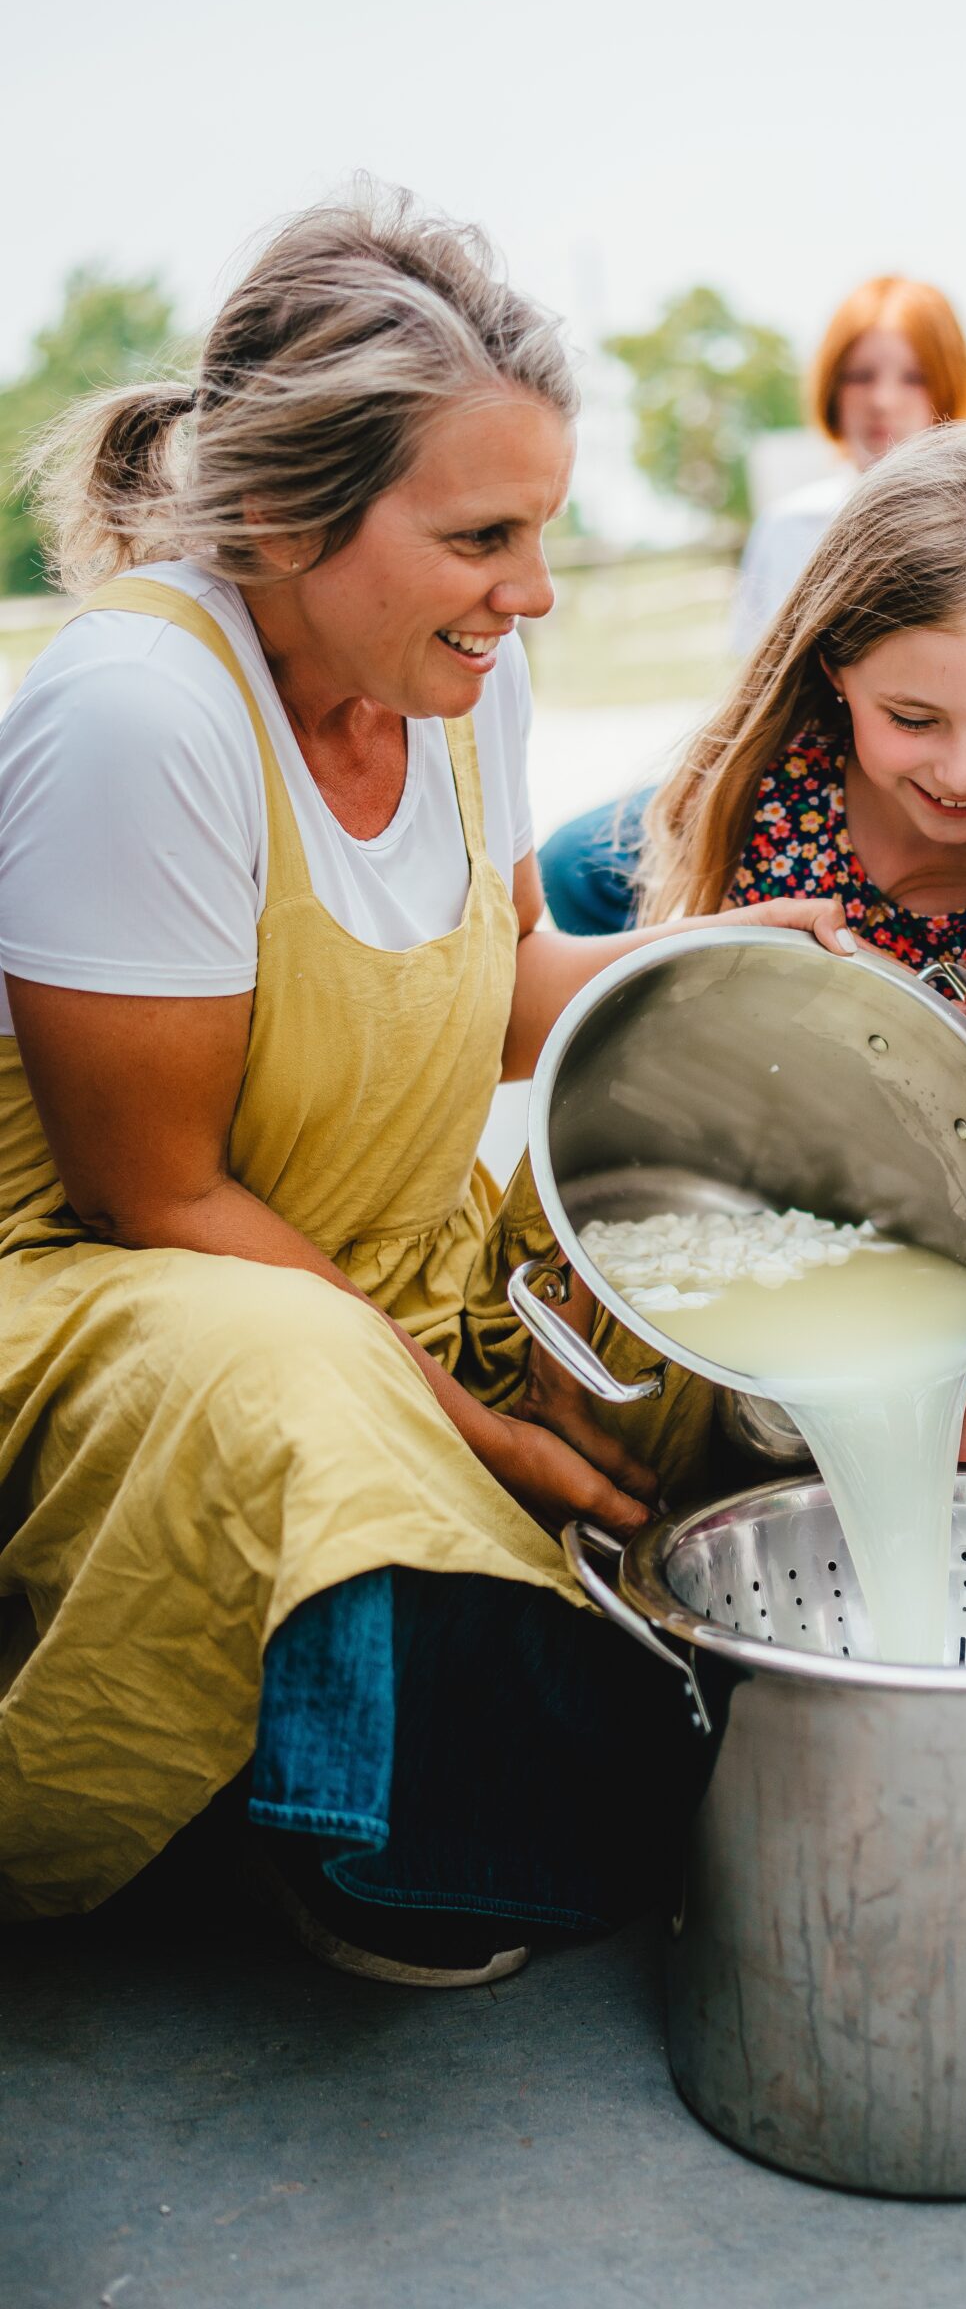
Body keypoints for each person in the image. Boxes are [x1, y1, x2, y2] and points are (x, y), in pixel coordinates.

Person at [0, 188, 842, 1979]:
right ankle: (352, 1835)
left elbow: (502, 999)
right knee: (303, 1376)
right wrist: (490, 1438)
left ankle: (626, 1666)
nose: (530, 592)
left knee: (710, 1204)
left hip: (379, 1252)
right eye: (481, 536)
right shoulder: (144, 715)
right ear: (289, 517)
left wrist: (722, 968)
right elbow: (155, 1200)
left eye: (539, 532)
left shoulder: (467, 678)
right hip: (122, 1303)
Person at [639, 421, 966, 1468]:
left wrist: (946, 1443)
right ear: (836, 664)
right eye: (913, 718)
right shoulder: (780, 807)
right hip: (796, 1278)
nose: (964, 772)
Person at [539, 274, 966, 934]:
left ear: (947, 388)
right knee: (574, 860)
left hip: (903, 777)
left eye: (911, 377)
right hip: (784, 767)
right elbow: (749, 695)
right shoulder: (791, 525)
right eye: (859, 375)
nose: (882, 399)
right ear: (830, 388)